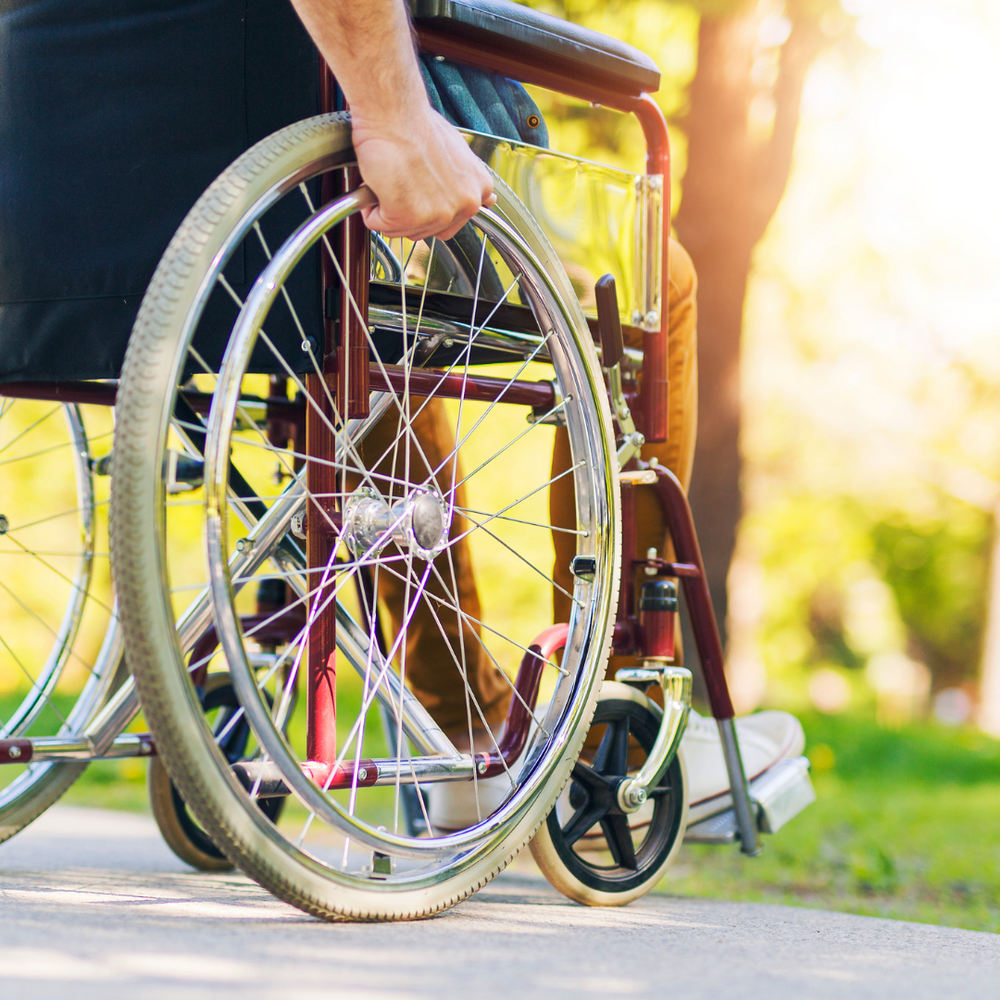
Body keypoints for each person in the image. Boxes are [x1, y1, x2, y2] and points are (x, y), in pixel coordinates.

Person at [0, 0, 802, 826]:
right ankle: (616, 725)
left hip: (72, 224)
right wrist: (393, 113)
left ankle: (464, 723)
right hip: (305, 171)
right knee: (648, 280)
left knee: (375, 317)